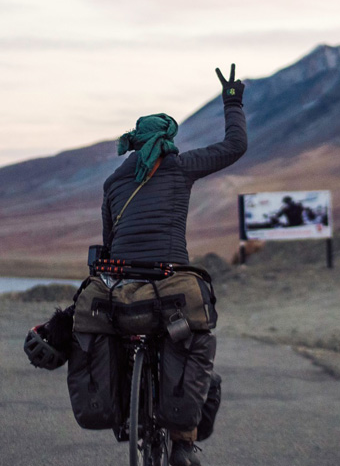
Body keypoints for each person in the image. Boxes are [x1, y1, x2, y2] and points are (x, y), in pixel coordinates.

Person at [101, 64, 246, 466]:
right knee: (190, 340)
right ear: (167, 138)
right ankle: (182, 443)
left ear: (135, 142)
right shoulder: (181, 166)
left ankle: (128, 405)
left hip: (126, 282)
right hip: (169, 279)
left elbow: (109, 241)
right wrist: (232, 100)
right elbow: (234, 146)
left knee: (119, 331)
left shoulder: (113, 181)